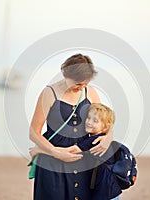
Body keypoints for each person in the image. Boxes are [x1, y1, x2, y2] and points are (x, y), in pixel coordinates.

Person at [28, 54, 113, 200]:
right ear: (65, 74)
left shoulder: (90, 92)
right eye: (78, 84)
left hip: (84, 162)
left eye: (85, 84)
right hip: (52, 165)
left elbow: (105, 122)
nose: (81, 88)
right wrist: (55, 152)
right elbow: (33, 132)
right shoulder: (49, 93)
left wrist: (108, 138)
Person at [30, 103, 121, 200]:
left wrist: (40, 150)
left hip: (106, 190)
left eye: (95, 121)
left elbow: (70, 151)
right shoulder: (102, 139)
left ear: (106, 127)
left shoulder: (93, 140)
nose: (89, 122)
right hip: (111, 186)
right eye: (88, 118)